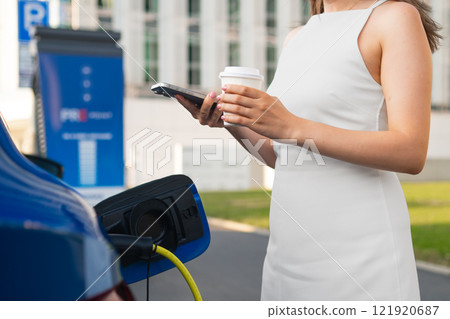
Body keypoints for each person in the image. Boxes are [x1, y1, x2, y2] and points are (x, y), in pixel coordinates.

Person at [176, 0, 441, 300]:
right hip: (288, 254)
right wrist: (229, 121)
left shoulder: (395, 18)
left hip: (362, 252)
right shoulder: (297, 38)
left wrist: (290, 125)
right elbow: (281, 155)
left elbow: (411, 150)